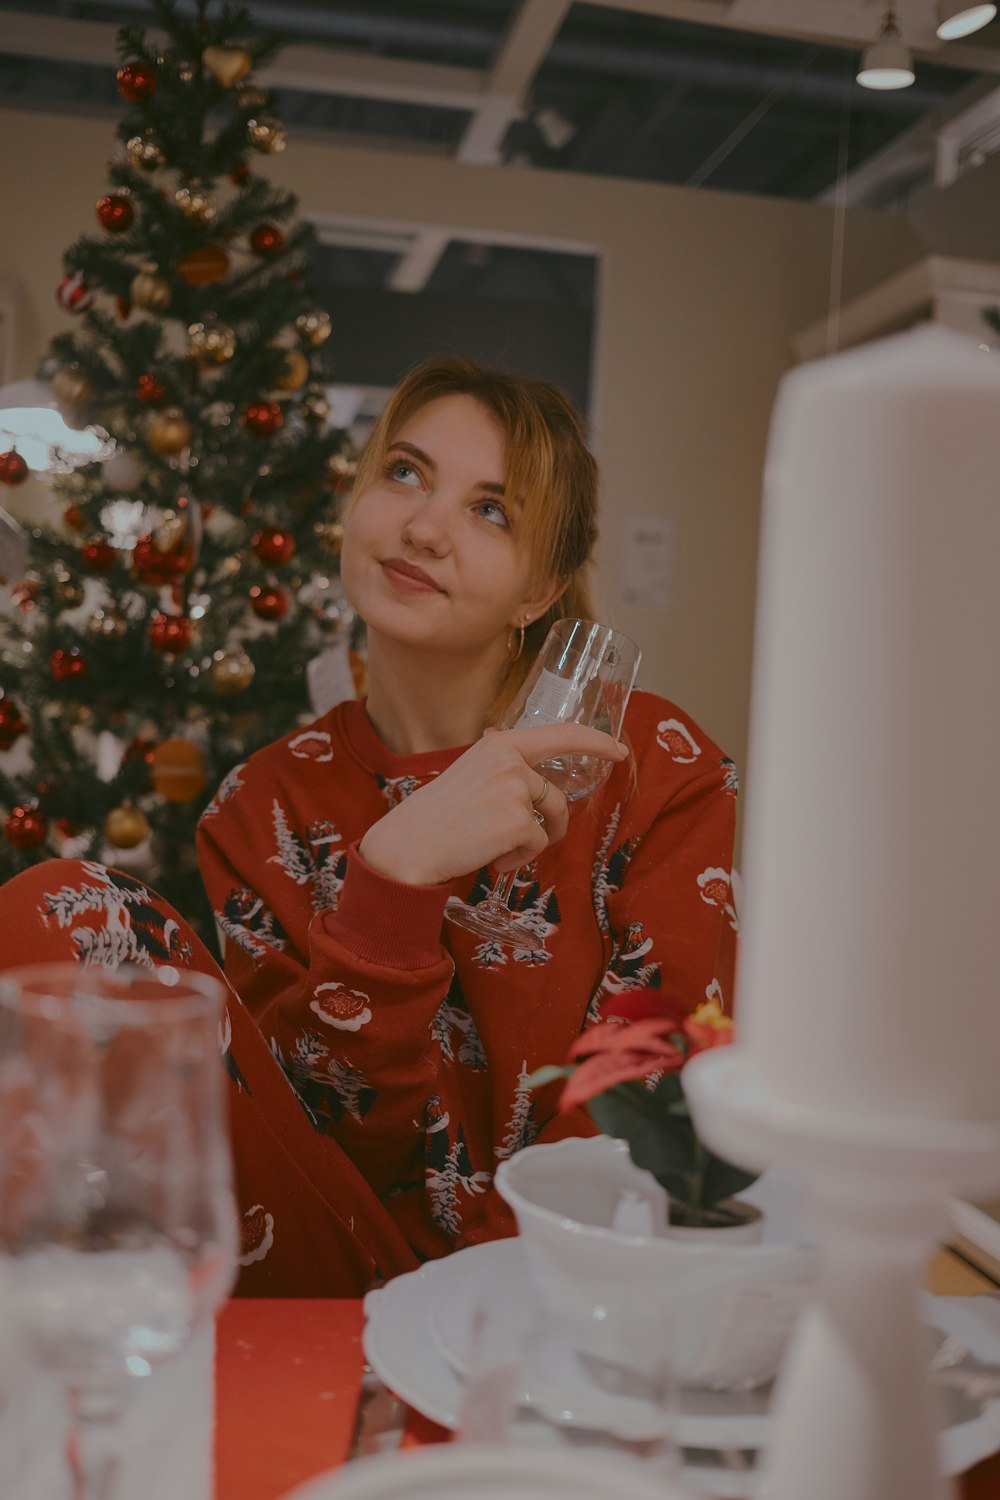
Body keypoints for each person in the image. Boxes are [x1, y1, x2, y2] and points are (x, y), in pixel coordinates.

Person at [0, 356, 738, 1297]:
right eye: (404, 473)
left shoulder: (652, 762)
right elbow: (314, 1134)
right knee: (59, 909)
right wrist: (392, 881)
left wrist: (485, 1304)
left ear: (540, 592)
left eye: (490, 510)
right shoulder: (259, 805)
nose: (423, 527)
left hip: (556, 1279)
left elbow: (656, 1087)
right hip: (334, 1264)